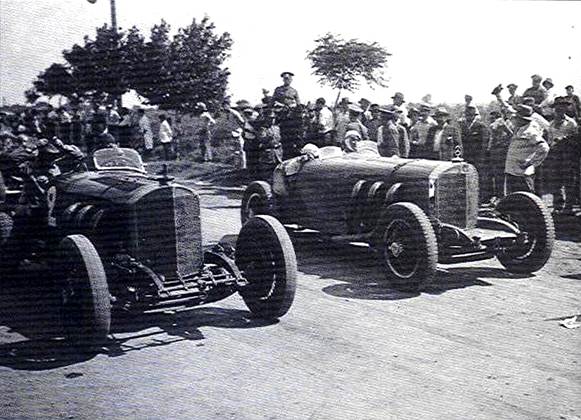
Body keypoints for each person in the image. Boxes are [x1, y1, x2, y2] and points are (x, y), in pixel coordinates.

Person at [504, 104, 549, 194]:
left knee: (526, 200)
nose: (514, 120)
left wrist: (531, 162)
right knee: (512, 200)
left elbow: (544, 147)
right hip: (512, 171)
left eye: (516, 118)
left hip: (522, 174)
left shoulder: (530, 132)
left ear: (522, 119)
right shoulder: (519, 129)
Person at [544, 97, 578, 213]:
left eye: (562, 106)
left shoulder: (571, 123)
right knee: (555, 180)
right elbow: (549, 140)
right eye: (558, 107)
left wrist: (564, 140)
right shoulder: (551, 124)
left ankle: (569, 206)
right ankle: (557, 205)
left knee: (569, 180)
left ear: (565, 109)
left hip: (567, 155)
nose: (560, 109)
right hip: (554, 154)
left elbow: (575, 139)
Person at [459, 104, 490, 200]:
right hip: (466, 156)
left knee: (479, 176)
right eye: (467, 115)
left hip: (478, 157)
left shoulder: (481, 126)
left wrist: (481, 157)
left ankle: (482, 197)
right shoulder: (462, 126)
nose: (469, 117)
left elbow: (484, 143)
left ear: (474, 116)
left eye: (471, 115)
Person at [487, 109, 514, 199]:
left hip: (502, 151)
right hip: (494, 151)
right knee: (496, 175)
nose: (491, 120)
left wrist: (503, 143)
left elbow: (511, 135)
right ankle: (499, 196)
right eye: (490, 118)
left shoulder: (502, 123)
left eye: (493, 118)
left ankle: (504, 196)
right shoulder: (493, 125)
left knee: (502, 175)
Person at [256, 108, 283, 181]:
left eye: (273, 118)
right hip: (268, 154)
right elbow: (261, 139)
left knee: (278, 173)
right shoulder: (262, 129)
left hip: (278, 154)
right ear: (266, 118)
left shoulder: (277, 128)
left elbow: (279, 139)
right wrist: (269, 137)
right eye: (270, 118)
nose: (272, 120)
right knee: (267, 175)